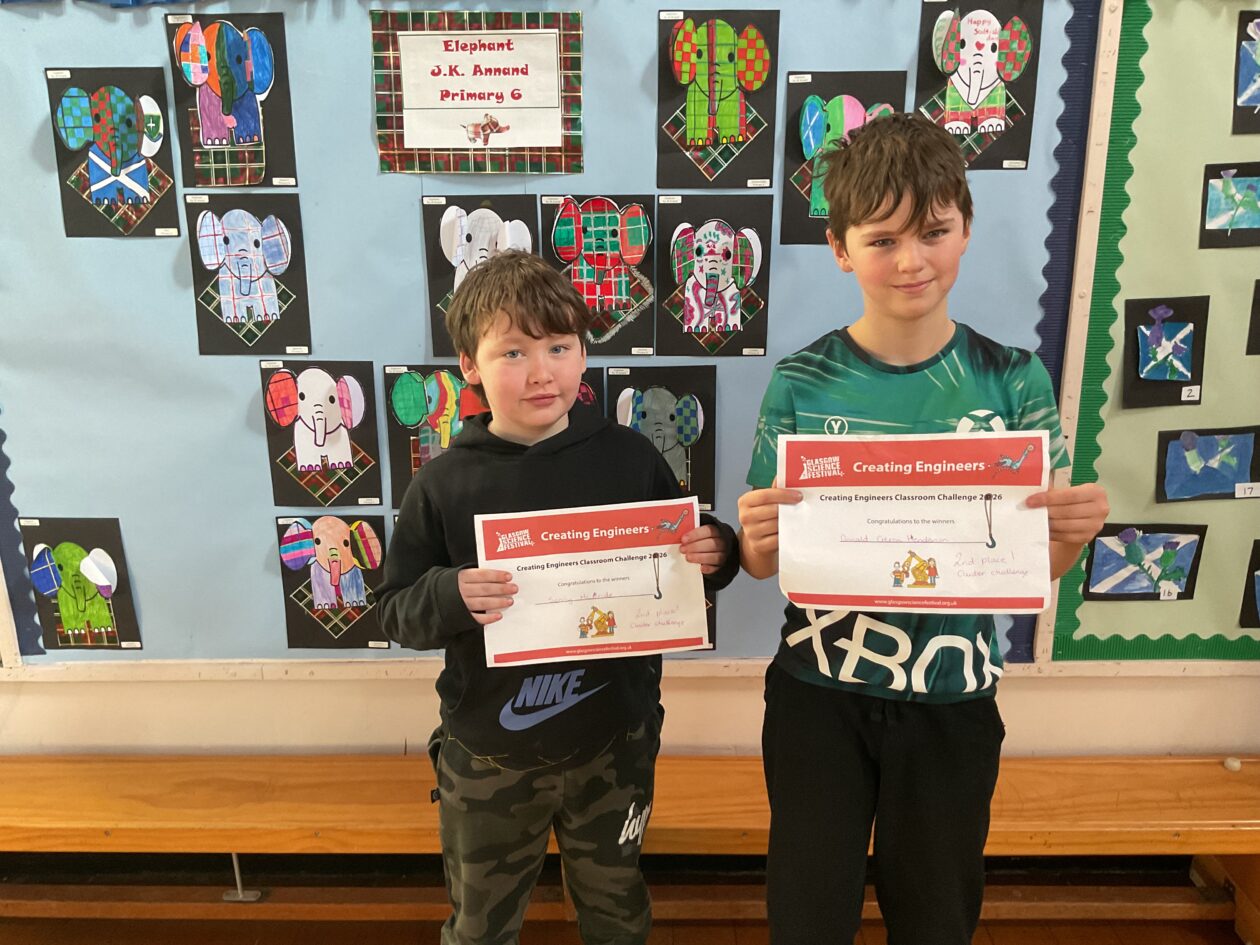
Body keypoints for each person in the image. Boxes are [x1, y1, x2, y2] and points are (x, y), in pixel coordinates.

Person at [736, 113, 1109, 945]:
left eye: (934, 232)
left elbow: (1035, 564)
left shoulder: (1013, 380)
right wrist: (756, 537)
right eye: (883, 240)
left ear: (966, 228)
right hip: (818, 696)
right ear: (840, 248)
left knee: (937, 918)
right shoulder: (802, 380)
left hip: (953, 698)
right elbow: (764, 563)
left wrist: (1073, 531)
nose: (911, 261)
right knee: (806, 918)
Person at [378, 250, 738, 945]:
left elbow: (690, 560)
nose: (542, 371)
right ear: (469, 365)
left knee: (616, 910)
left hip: (615, 741)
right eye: (513, 352)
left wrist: (715, 551)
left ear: (582, 353)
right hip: (489, 753)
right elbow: (396, 608)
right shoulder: (443, 483)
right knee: (480, 926)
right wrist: (450, 593)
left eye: (559, 347)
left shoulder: (630, 458)